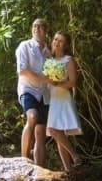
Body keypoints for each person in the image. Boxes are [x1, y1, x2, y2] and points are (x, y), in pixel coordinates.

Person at [16, 17, 51, 167]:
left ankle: (40, 170)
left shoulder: (48, 52)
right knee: (32, 116)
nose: (37, 29)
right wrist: (40, 78)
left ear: (46, 31)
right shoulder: (24, 46)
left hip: (44, 94)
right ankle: (24, 161)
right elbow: (22, 70)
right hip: (28, 89)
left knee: (41, 133)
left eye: (40, 27)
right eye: (34, 26)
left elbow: (52, 76)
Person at [45, 30, 82, 170]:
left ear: (65, 45)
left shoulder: (68, 60)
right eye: (55, 39)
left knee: (53, 130)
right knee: (59, 134)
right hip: (53, 98)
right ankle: (68, 169)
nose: (57, 43)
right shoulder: (48, 61)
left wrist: (57, 83)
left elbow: (72, 82)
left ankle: (75, 156)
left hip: (63, 96)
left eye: (60, 41)